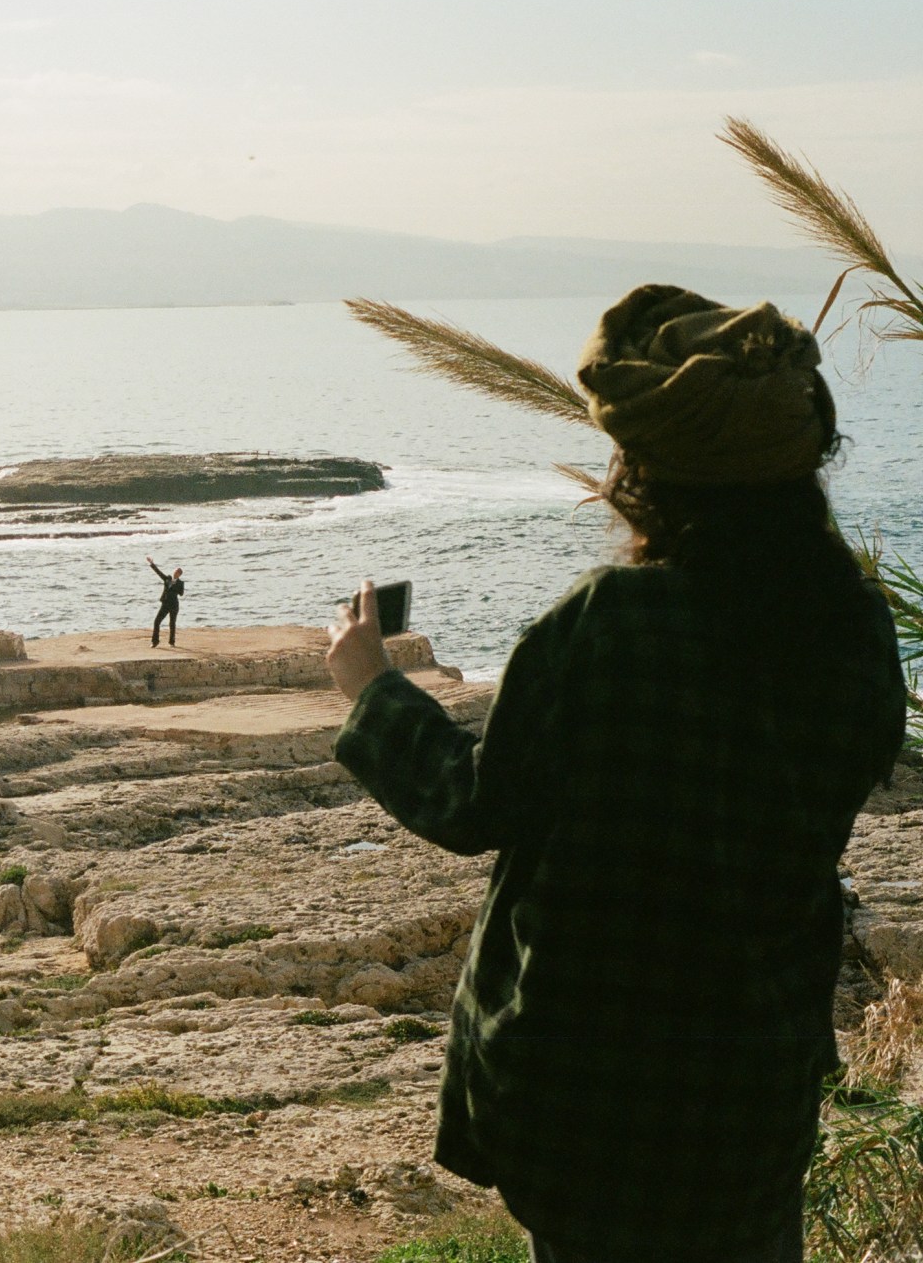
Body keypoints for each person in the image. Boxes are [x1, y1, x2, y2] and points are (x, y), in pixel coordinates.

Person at [325, 285, 907, 1263]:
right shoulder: (850, 626)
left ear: (646, 474)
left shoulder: (609, 623)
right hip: (749, 1087)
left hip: (589, 1095)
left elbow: (475, 803)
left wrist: (371, 687)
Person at [147, 556, 184, 647]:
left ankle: (172, 642)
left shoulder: (180, 583)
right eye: (175, 571)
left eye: (177, 572)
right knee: (157, 621)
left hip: (174, 605)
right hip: (165, 604)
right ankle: (155, 641)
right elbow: (159, 573)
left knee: (172, 624)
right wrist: (152, 563)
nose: (175, 573)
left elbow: (181, 593)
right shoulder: (167, 578)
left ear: (179, 575)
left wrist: (175, 585)